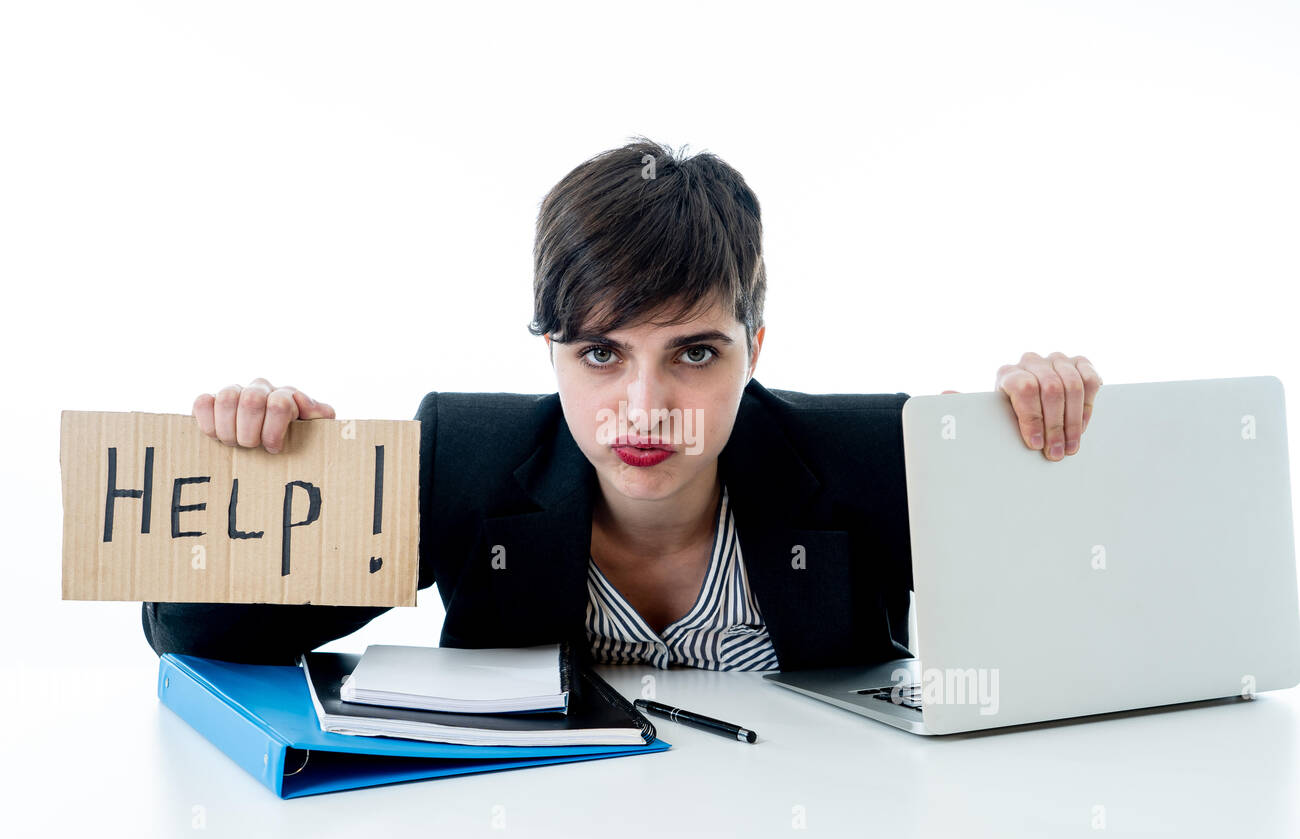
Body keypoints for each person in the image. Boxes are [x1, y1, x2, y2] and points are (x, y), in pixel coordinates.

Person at [142, 138, 1102, 671]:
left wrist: (1033, 459)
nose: (645, 407)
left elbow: (1094, 638)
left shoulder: (869, 457)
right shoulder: (464, 459)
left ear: (754, 349)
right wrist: (251, 474)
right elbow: (192, 632)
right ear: (552, 352)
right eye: (601, 353)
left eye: (694, 352)